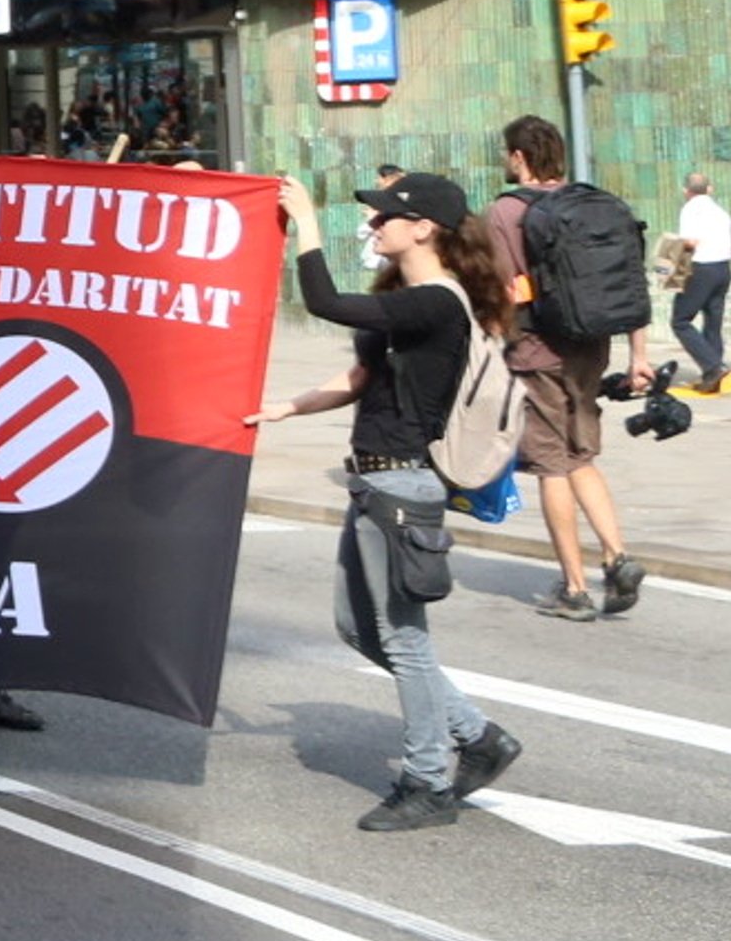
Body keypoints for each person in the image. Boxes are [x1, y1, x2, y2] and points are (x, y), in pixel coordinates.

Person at [253, 173, 526, 832]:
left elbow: (322, 300)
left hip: (404, 485)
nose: (373, 227)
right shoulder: (408, 300)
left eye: (383, 219)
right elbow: (360, 378)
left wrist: (306, 223)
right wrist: (285, 407)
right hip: (374, 480)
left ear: (423, 228)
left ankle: (429, 781)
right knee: (358, 629)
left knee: (404, 641)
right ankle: (479, 735)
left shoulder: (437, 302)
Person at [488, 116, 647, 622]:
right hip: (592, 346)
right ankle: (617, 555)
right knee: (581, 455)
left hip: (537, 352)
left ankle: (574, 589)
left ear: (519, 157)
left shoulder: (504, 212)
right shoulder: (593, 203)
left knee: (550, 465)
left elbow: (499, 291)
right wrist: (637, 356)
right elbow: (630, 280)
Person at [669, 171, 731, 381]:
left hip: (701, 267)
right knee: (713, 320)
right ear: (709, 189)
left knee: (680, 321)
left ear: (685, 191)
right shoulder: (720, 211)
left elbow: (690, 242)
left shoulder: (690, 209)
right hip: (723, 268)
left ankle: (712, 365)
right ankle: (716, 364)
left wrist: (670, 249)